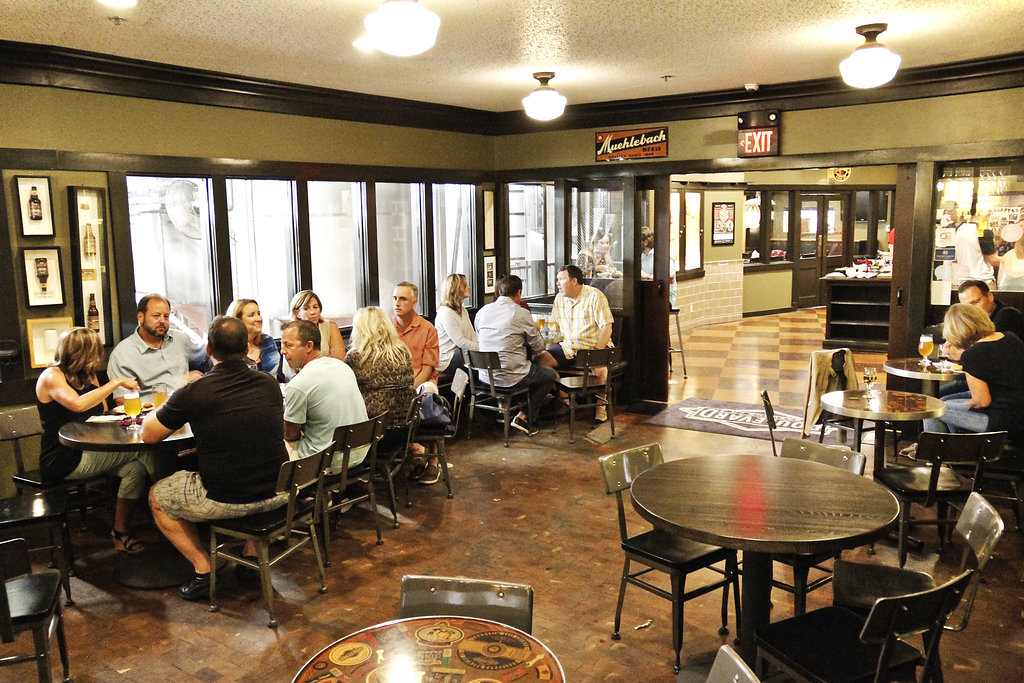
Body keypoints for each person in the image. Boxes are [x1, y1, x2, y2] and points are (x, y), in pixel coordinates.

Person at [144, 316, 289, 601]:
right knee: (252, 462)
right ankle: (249, 559)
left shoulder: (193, 392)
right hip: (278, 492)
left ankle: (203, 570)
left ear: (208, 350)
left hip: (229, 500)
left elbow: (149, 435)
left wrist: (174, 394)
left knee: (158, 495)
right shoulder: (269, 384)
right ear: (247, 350)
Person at [36, 327, 157, 553]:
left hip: (90, 449)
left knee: (135, 470)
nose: (99, 356)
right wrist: (116, 383)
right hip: (62, 457)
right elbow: (79, 404)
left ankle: (120, 531)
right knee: (145, 451)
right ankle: (166, 511)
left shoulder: (87, 374)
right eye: (95, 351)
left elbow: (101, 409)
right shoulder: (52, 376)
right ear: (82, 352)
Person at [344, 307, 434, 483]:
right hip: (405, 429)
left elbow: (348, 394)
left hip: (372, 433)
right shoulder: (402, 351)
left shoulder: (355, 357)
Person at [925, 303, 1024, 441]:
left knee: (931, 408)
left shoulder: (973, 355)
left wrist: (966, 404)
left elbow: (982, 401)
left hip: (1002, 420)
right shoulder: (1010, 337)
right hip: (1018, 412)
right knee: (945, 402)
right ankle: (960, 454)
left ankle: (936, 456)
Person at [474, 275, 558, 434]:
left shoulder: (482, 311)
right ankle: (525, 416)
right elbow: (539, 347)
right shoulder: (521, 314)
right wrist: (535, 332)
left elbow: (481, 338)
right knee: (550, 375)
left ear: (499, 291)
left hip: (485, 375)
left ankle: (504, 408)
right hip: (512, 376)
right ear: (519, 292)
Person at [280, 320, 368, 471]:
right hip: (361, 452)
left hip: (328, 461)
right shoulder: (343, 367)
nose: (282, 351)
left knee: (276, 447)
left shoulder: (298, 384)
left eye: (288, 345)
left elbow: (290, 434)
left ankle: (295, 492)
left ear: (309, 346)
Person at [106, 293, 205, 403]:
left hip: (189, 409)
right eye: (156, 316)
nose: (162, 321)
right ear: (140, 317)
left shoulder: (180, 339)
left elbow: (210, 355)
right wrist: (177, 385)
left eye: (166, 316)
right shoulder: (122, 354)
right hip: (151, 415)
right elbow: (122, 401)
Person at [549, 264, 614, 421]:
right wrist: (547, 343)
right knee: (541, 361)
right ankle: (565, 400)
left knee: (601, 370)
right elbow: (554, 327)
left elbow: (607, 327)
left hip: (592, 346)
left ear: (574, 281)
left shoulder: (594, 296)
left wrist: (596, 350)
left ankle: (600, 406)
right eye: (557, 279)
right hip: (568, 347)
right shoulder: (559, 299)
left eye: (561, 279)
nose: (557, 283)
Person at [391, 282, 440, 393]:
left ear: (414, 303)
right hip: (394, 383)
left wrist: (409, 390)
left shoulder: (428, 329)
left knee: (427, 394)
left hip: (421, 382)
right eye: (395, 298)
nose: (397, 303)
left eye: (403, 299)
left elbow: (427, 370)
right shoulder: (386, 328)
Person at [434, 273, 478, 382]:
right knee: (475, 359)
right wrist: (483, 348)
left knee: (480, 359)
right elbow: (461, 342)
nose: (468, 287)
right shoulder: (446, 313)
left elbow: (472, 336)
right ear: (456, 289)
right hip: (447, 359)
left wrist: (481, 347)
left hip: (462, 353)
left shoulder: (463, 310)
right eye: (465, 285)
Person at [226, 298, 281, 375]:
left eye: (258, 314)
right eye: (251, 315)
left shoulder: (267, 341)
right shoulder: (228, 347)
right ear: (238, 320)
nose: (258, 319)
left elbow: (274, 376)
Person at [289, 290, 346, 361]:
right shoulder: (290, 333)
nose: (313, 312)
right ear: (297, 313)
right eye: (306, 309)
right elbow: (295, 366)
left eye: (315, 307)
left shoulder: (330, 327)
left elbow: (340, 359)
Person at [957, 279, 1024, 340]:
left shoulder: (1008, 315)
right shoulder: (970, 320)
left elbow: (986, 345)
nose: (971, 309)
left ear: (990, 296)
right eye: (966, 306)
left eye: (975, 302)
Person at [953, 209, 1000, 284]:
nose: (990, 214)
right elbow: (993, 260)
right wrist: (1011, 259)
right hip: (983, 282)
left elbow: (955, 259)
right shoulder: (983, 231)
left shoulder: (959, 229)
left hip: (963, 282)